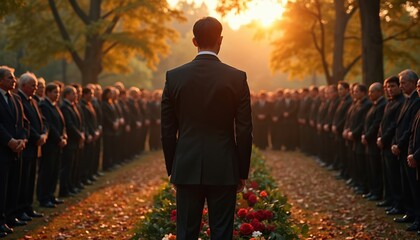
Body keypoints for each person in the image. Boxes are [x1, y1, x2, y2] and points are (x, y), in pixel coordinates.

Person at [161, 17, 253, 239]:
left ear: (194, 41)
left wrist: (173, 167)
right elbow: (244, 129)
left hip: (186, 164)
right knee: (222, 232)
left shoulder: (174, 77)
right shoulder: (237, 78)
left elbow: (167, 130)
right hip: (223, 165)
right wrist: (241, 171)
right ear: (220, 40)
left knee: (186, 233)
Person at [0, 66, 28, 238]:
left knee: (13, 185)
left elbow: (24, 122)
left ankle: (10, 216)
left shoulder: (16, 98)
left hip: (17, 149)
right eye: (10, 78)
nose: (14, 80)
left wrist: (23, 139)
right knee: (1, 187)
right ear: (1, 80)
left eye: (14, 77)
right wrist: (9, 141)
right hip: (3, 149)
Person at [392, 70, 420, 231]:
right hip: (406, 151)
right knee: (407, 185)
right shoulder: (408, 100)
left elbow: (409, 128)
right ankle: (410, 212)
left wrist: (408, 150)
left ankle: (417, 217)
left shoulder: (416, 101)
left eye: (403, 83)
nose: (401, 86)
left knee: (414, 187)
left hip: (412, 152)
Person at [17, 72, 46, 221]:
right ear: (23, 85)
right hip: (27, 146)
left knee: (30, 179)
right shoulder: (19, 99)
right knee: (24, 179)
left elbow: (42, 120)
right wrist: (37, 136)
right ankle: (20, 209)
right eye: (33, 85)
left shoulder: (33, 100)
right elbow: (25, 122)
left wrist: (44, 134)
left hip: (36, 146)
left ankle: (28, 207)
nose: (36, 88)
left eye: (36, 85)